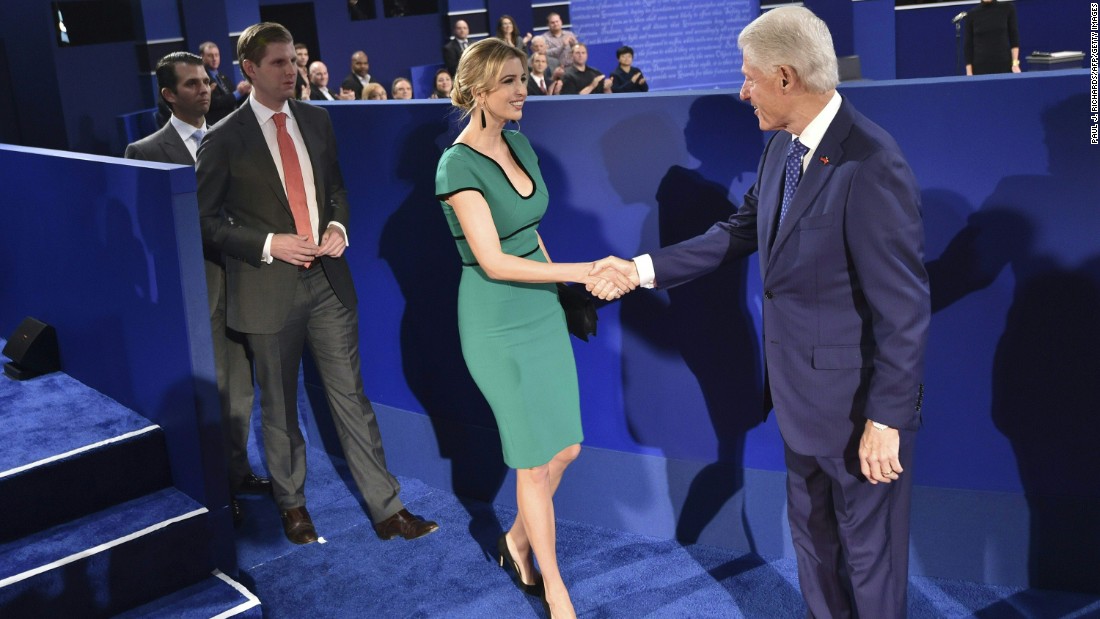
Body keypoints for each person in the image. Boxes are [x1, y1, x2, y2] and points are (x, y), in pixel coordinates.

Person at [593, 7, 929, 618]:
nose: (742, 91)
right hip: (797, 399)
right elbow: (734, 233)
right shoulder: (781, 151)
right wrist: (638, 270)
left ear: (784, 78)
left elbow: (903, 310)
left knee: (870, 558)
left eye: (748, 78)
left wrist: (887, 419)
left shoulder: (872, 163)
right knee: (813, 544)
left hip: (858, 414)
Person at [196, 21, 438, 546]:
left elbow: (337, 190)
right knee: (279, 406)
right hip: (266, 289)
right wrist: (268, 244)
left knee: (351, 397)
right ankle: (294, 506)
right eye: (279, 63)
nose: (291, 71)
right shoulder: (222, 139)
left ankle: (388, 508)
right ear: (250, 70)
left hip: (328, 283)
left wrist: (337, 226)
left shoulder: (318, 120)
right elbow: (206, 222)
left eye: (294, 61)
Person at [434, 38, 633, 619]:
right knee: (530, 460)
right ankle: (555, 588)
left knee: (565, 448)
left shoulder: (519, 144)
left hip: (540, 308)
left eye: (523, 78)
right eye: (509, 83)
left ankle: (516, 540)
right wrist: (585, 270)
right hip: (494, 319)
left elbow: (530, 235)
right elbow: (493, 261)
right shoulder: (456, 163)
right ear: (477, 92)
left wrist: (562, 290)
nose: (523, 90)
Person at [125, 52, 269, 526]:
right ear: (168, 95)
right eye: (191, 85)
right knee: (212, 393)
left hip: (247, 281)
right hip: (198, 289)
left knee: (243, 388)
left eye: (206, 82)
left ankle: (239, 470)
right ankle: (218, 490)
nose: (203, 90)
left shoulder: (232, 136)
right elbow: (151, 232)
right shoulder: (145, 152)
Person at [199, 41, 251, 125]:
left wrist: (245, 92)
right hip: (215, 124)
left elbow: (234, 101)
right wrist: (238, 93)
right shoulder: (201, 78)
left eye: (216, 55)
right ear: (202, 57)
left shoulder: (222, 77)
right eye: (210, 55)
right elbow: (214, 103)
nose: (214, 58)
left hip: (232, 122)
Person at [964, 0, 1021, 75]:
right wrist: (969, 71)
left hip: (1004, 65)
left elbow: (1014, 38)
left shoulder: (1007, 8)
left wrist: (1015, 63)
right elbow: (968, 45)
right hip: (980, 67)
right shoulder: (971, 14)